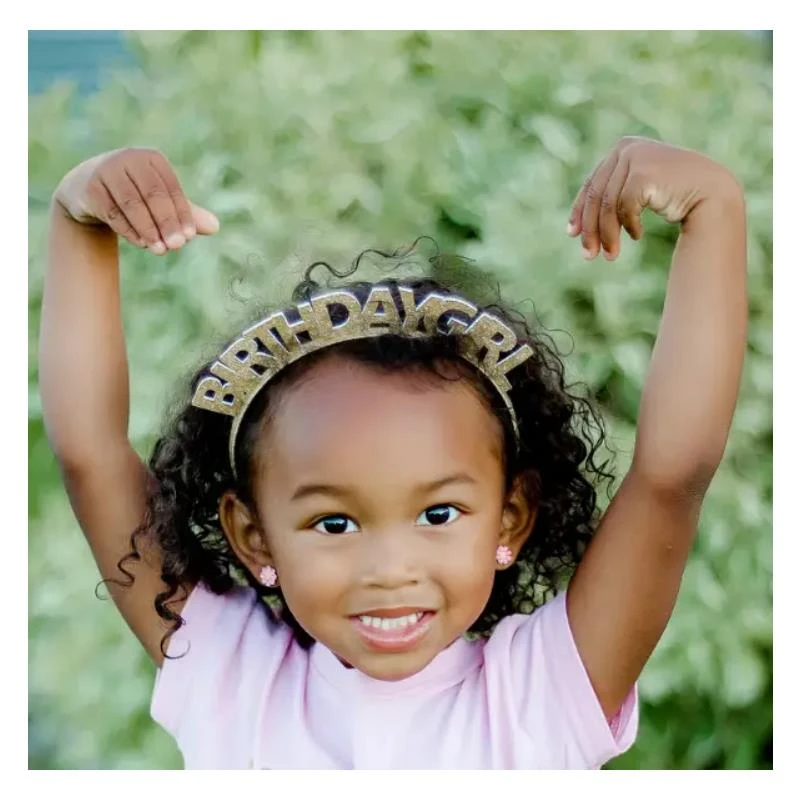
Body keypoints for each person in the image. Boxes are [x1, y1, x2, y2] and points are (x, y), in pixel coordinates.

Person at [39, 137, 747, 769]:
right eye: (335, 523)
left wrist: (714, 210)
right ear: (254, 536)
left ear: (510, 518)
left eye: (439, 512)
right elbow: (90, 452)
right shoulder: (232, 677)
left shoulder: (544, 692)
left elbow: (671, 475)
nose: (389, 569)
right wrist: (78, 219)